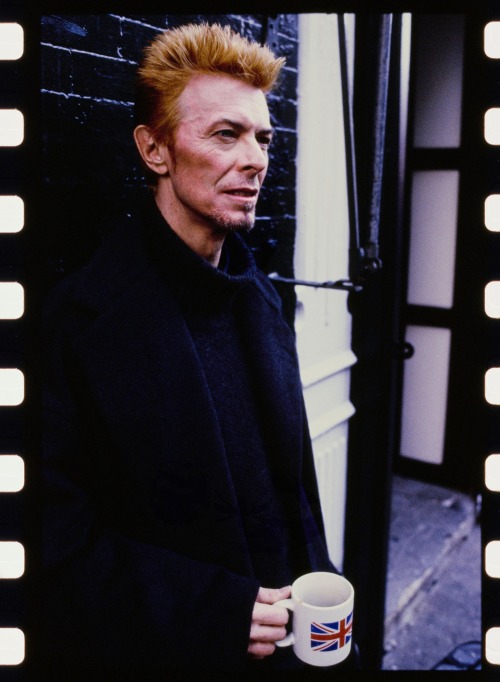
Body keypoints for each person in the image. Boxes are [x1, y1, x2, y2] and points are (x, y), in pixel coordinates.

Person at [41, 22, 355, 674]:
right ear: (155, 151)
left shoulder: (259, 297)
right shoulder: (77, 322)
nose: (257, 159)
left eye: (263, 137)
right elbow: (52, 542)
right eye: (225, 134)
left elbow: (291, 493)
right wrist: (209, 611)